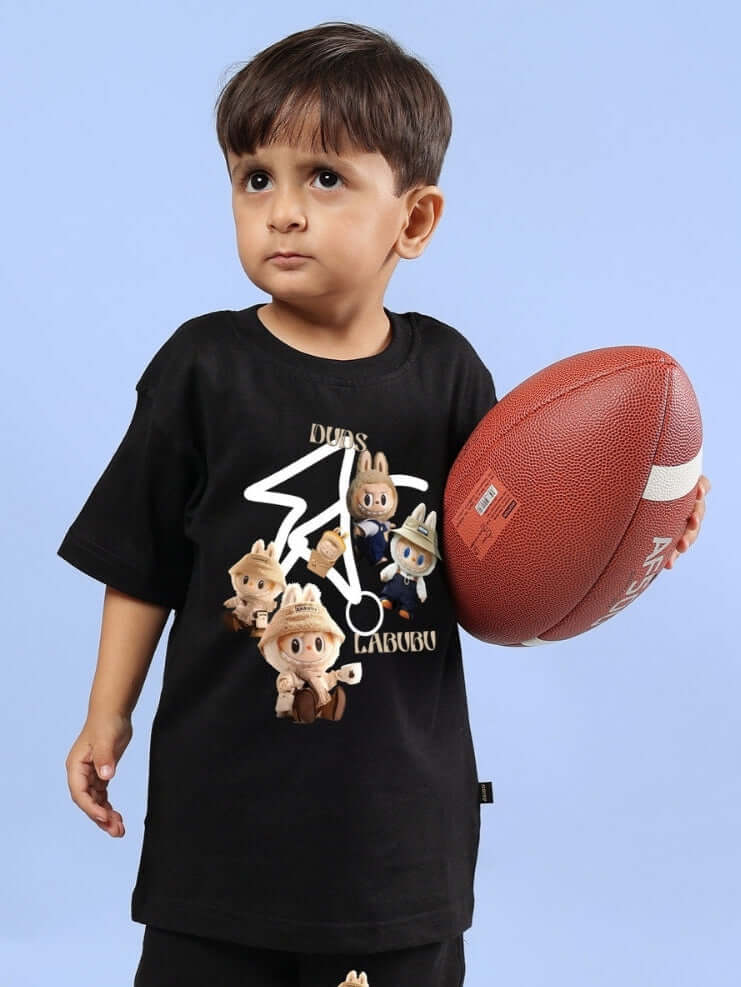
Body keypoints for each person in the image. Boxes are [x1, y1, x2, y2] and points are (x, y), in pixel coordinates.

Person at [58, 21, 711, 987]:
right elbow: (140, 561)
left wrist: (640, 528)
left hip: (399, 842)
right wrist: (103, 716)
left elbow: (510, 555)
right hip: (222, 830)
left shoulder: (447, 376)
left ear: (414, 219)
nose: (282, 211)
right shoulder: (203, 367)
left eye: (324, 179)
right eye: (255, 178)